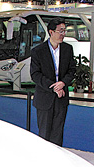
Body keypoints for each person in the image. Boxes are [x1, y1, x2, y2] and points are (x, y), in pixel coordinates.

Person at [30, 17, 76, 146]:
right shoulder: (38, 51)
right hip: (45, 98)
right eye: (60, 31)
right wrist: (54, 87)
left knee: (58, 133)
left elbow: (72, 70)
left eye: (64, 31)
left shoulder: (67, 49)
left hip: (61, 98)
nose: (63, 34)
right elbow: (35, 75)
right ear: (51, 32)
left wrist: (63, 83)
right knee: (44, 134)